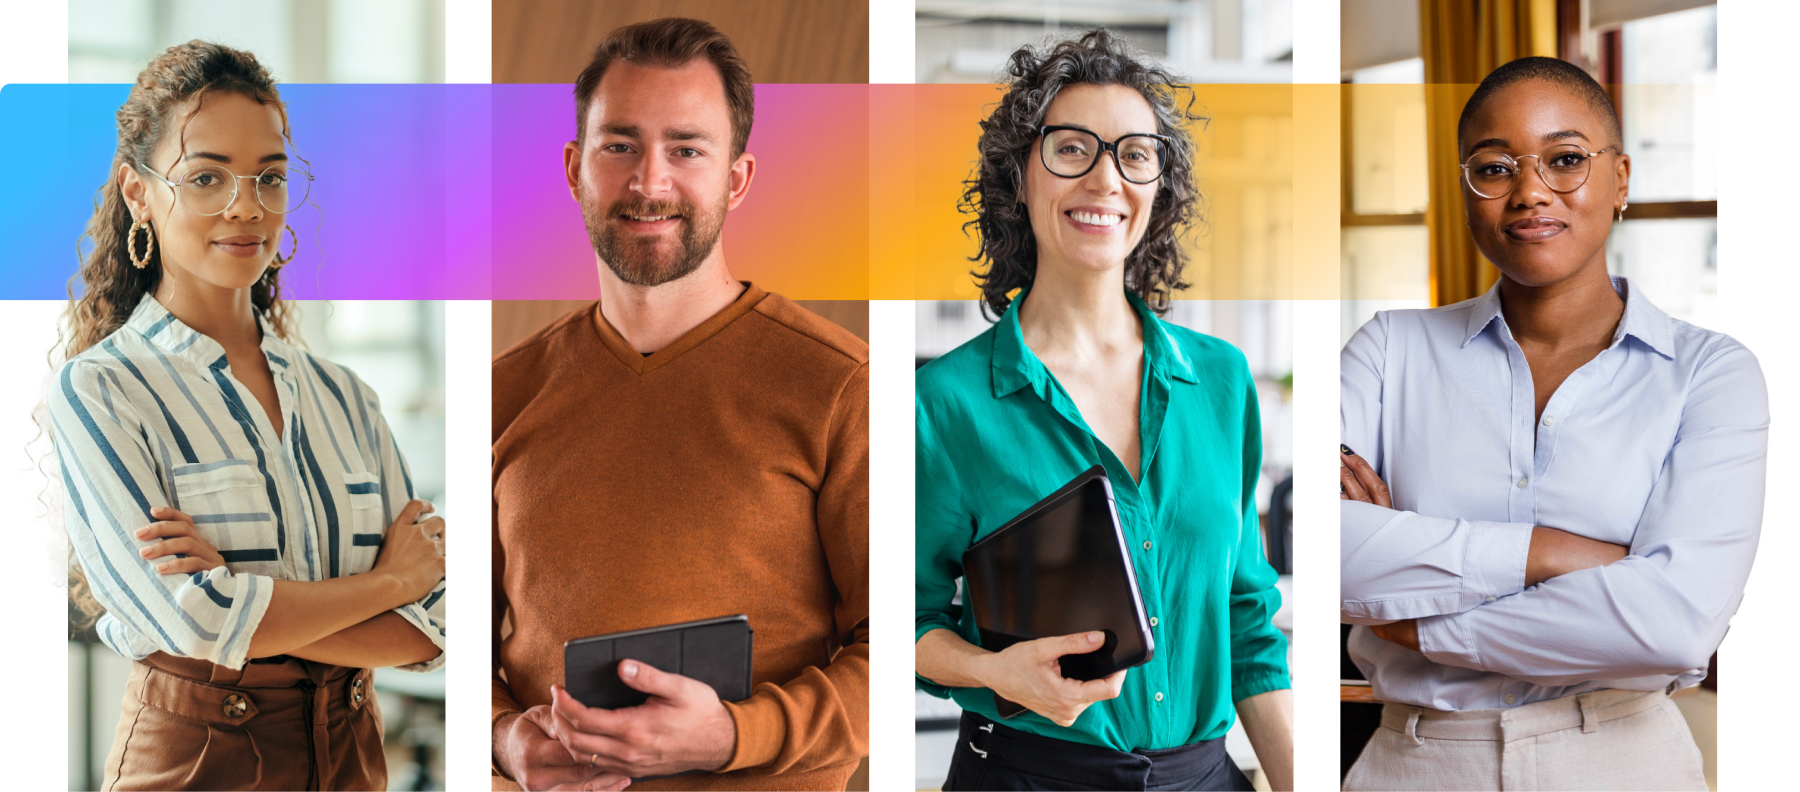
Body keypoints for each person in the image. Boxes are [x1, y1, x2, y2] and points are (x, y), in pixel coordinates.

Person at [25, 41, 450, 792]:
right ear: (138, 194)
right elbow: (194, 624)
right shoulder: (101, 391)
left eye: (269, 178)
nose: (246, 204)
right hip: (198, 764)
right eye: (206, 176)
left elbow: (432, 629)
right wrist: (387, 582)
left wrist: (245, 605)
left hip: (354, 756)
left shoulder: (347, 396)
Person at [1338, 56, 1765, 791]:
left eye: (1565, 159)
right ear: (1466, 188)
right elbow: (1327, 558)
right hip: (1416, 763)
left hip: (1623, 761)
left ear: (1622, 178)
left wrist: (1422, 623)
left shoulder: (1710, 374)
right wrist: (1562, 555)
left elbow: (1673, 625)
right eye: (1494, 167)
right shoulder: (1387, 351)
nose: (1530, 191)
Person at [483, 18, 870, 792]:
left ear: (737, 178)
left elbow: (900, 655)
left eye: (687, 149)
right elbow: (453, 654)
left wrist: (733, 734)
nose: (649, 182)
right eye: (619, 145)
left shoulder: (840, 384)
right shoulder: (502, 393)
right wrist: (495, 751)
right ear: (574, 168)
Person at [913, 30, 1294, 792]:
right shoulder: (945, 403)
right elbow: (897, 621)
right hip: (1025, 776)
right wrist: (996, 672)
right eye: (1072, 148)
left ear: (1158, 187)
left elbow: (1246, 619)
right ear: (1019, 177)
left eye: (1134, 155)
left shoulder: (1221, 381)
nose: (1105, 179)